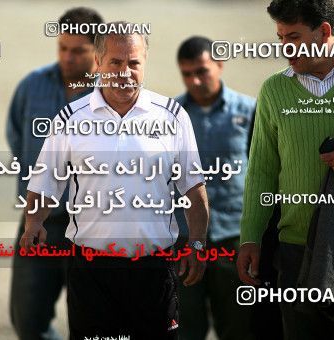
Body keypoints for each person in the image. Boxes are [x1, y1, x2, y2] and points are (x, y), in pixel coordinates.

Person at [19, 22, 209, 340]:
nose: (125, 71)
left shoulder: (173, 116)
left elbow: (193, 188)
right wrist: (33, 224)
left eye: (134, 62)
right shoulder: (71, 118)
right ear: (98, 63)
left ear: (145, 62)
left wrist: (198, 243)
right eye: (116, 62)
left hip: (154, 272)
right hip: (91, 274)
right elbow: (45, 181)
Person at [237, 0, 334, 339]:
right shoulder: (274, 90)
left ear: (324, 31)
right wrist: (250, 236)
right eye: (280, 38)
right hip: (294, 251)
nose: (285, 48)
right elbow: (262, 169)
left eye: (293, 36)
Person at [6, 7, 104, 340]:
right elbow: (18, 139)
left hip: (95, 228)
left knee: (96, 324)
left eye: (78, 51)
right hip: (39, 223)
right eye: (62, 48)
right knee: (27, 320)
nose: (68, 57)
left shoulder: (115, 94)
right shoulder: (32, 86)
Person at [174, 36, 256, 340]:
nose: (195, 80)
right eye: (187, 73)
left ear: (219, 65)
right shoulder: (171, 117)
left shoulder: (249, 112)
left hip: (233, 240)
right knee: (185, 329)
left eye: (202, 70)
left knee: (238, 328)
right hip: (184, 243)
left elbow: (266, 173)